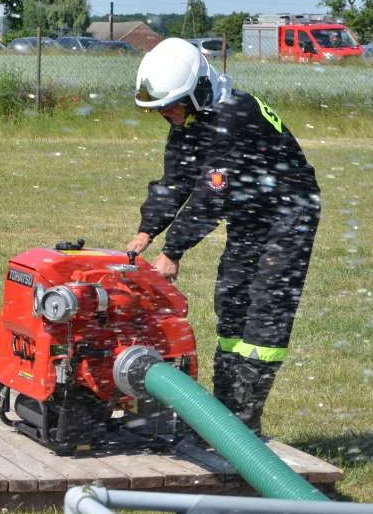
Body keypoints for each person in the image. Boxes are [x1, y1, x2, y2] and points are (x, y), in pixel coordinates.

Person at [126, 38, 320, 435]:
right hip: (250, 212)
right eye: (160, 111)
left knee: (265, 308)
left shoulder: (235, 117)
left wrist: (173, 250)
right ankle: (223, 415)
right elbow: (176, 181)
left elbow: (212, 195)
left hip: (288, 213)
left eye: (172, 107)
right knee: (231, 298)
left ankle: (243, 424)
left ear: (198, 90)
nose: (168, 116)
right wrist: (146, 231)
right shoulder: (192, 120)